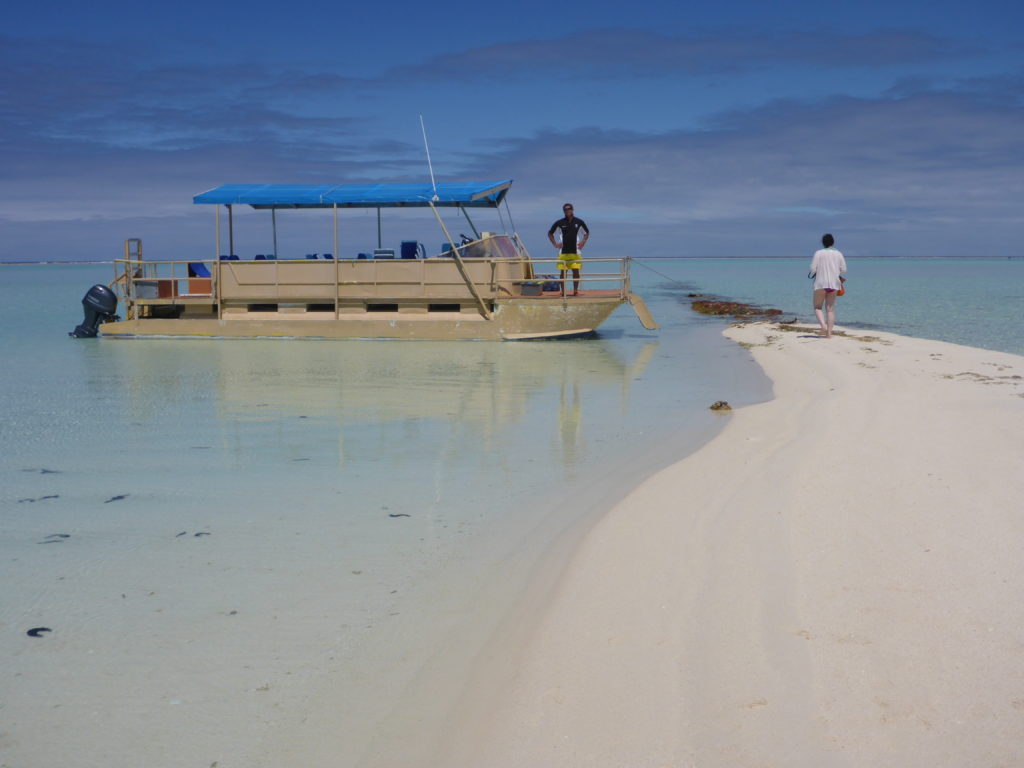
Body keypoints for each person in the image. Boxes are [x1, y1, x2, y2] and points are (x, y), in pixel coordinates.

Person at [808, 233, 847, 338]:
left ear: (823, 243)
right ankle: (829, 334)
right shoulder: (838, 254)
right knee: (830, 309)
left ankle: (823, 326)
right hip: (834, 284)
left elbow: (812, 269)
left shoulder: (818, 253)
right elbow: (844, 270)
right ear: (833, 242)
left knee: (817, 307)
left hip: (820, 283)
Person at [548, 203, 589, 296]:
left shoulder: (579, 222)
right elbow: (550, 233)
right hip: (563, 252)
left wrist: (583, 242)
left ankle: (575, 291)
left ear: (572, 209)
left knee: (576, 272)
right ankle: (563, 292)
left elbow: (586, 233)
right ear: (564, 211)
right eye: (565, 209)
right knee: (563, 273)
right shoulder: (559, 223)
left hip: (576, 252)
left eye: (569, 209)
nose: (567, 211)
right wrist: (555, 244)